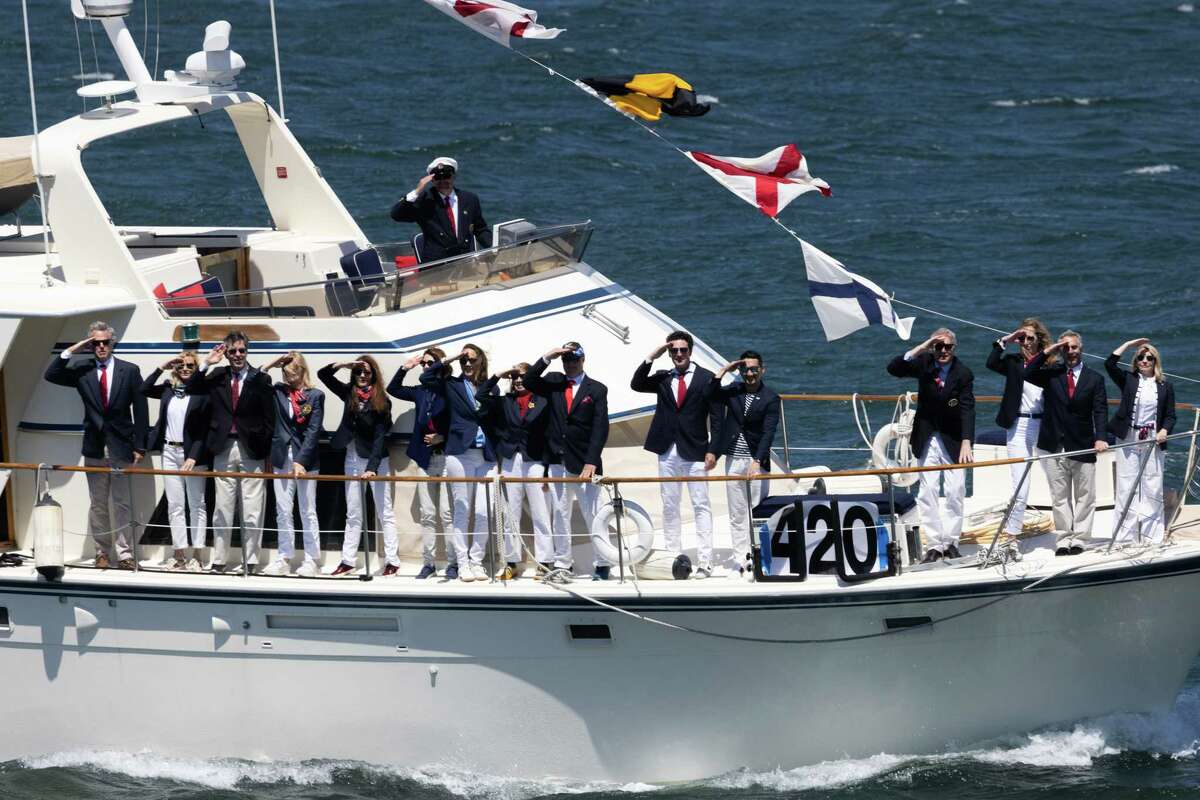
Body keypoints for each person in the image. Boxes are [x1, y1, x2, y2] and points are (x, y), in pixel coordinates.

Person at [44, 321, 148, 570]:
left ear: (112, 343)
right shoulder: (83, 370)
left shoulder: (129, 370)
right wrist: (75, 349)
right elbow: (52, 374)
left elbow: (141, 410)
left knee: (122, 502)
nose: (101, 347)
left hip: (122, 447)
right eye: (96, 343)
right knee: (98, 503)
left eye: (105, 342)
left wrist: (140, 446)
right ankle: (102, 551)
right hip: (95, 447)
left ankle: (125, 554)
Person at [631, 330, 720, 578]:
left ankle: (705, 562)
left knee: (701, 505)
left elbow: (717, 418)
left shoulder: (706, 378)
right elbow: (636, 384)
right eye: (673, 351)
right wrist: (653, 355)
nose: (678, 354)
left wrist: (713, 450)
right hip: (667, 449)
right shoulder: (663, 377)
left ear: (690, 351)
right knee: (670, 505)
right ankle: (673, 557)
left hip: (696, 450)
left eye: (682, 350)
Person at [188, 331, 275, 573]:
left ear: (247, 351)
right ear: (226, 353)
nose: (237, 355)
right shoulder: (217, 375)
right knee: (222, 507)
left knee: (253, 507)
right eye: (232, 351)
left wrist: (264, 448)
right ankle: (219, 559)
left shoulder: (261, 379)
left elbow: (270, 419)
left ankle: (251, 560)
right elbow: (192, 387)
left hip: (252, 449)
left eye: (241, 350)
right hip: (223, 447)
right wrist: (206, 362)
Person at [887, 328, 976, 563]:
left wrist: (967, 441)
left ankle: (951, 542)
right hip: (927, 436)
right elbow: (894, 368)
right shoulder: (925, 363)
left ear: (954, 348)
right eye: (939, 346)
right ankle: (935, 544)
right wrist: (923, 346)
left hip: (954, 439)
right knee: (927, 491)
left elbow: (968, 408)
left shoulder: (963, 373)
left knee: (955, 491)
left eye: (948, 347)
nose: (943, 351)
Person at [524, 342, 611, 579]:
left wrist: (592, 461)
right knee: (560, 516)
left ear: (583, 360)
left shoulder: (597, 389)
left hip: (586, 463)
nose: (570, 364)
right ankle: (563, 564)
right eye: (566, 360)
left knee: (594, 513)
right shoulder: (554, 382)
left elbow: (601, 428)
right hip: (556, 460)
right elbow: (530, 381)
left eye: (575, 360)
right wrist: (548, 356)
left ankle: (602, 563)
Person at [1023, 330, 1108, 555]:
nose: (1070, 352)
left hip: (1083, 443)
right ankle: (1063, 539)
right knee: (1059, 497)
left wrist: (1100, 437)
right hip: (1054, 444)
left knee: (1084, 496)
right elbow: (1028, 371)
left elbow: (1100, 410)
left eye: (1074, 347)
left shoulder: (1095, 379)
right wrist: (1048, 350)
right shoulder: (1051, 374)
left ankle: (1080, 538)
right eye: (1066, 348)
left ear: (1081, 349)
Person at [420, 343, 498, 582]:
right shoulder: (451, 385)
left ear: (481, 362)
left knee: (486, 512)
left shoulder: (490, 388)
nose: (467, 364)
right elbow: (426, 376)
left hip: (486, 456)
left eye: (472, 360)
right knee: (461, 510)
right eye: (464, 360)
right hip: (459, 454)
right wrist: (453, 357)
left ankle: (476, 562)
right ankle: (462, 563)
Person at [321, 355, 401, 577]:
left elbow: (379, 438)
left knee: (384, 511)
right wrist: (344, 364)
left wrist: (372, 468)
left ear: (374, 374)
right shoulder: (349, 393)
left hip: (376, 460)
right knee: (353, 512)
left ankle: (392, 561)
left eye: (367, 372)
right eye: (358, 372)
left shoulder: (383, 401)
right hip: (352, 457)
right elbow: (323, 375)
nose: (363, 376)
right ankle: (348, 560)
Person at [705, 351, 780, 577]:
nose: (749, 374)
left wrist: (757, 460)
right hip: (733, 460)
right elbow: (710, 394)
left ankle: (759, 556)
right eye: (745, 369)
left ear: (762, 370)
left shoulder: (770, 398)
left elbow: (768, 433)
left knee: (755, 512)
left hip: (755, 461)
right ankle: (741, 559)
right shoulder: (734, 391)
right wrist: (724, 371)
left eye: (754, 369)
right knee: (737, 514)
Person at [479, 362, 553, 580]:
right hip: (512, 459)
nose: (519, 380)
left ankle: (544, 562)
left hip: (536, 460)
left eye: (523, 376)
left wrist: (548, 467)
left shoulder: (543, 400)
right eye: (515, 377)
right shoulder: (506, 401)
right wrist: (499, 373)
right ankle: (512, 562)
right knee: (510, 513)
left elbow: (550, 432)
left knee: (541, 513)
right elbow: (481, 396)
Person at [140, 351, 211, 571]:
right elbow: (142, 389)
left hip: (192, 454)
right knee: (175, 504)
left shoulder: (202, 392)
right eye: (181, 365)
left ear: (196, 367)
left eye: (190, 365)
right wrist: (162, 366)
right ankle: (179, 553)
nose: (185, 369)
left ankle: (197, 554)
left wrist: (194, 456)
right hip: (169, 452)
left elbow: (203, 429)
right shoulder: (168, 390)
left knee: (197, 504)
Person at [386, 349, 452, 579]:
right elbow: (393, 389)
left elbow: (460, 424)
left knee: (447, 513)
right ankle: (429, 563)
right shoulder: (421, 392)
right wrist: (406, 367)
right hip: (425, 458)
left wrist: (442, 436)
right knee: (427, 514)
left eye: (429, 363)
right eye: (423, 363)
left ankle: (453, 563)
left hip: (445, 457)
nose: (425, 367)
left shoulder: (450, 388)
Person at [986, 318, 1053, 538]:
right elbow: (991, 362)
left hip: (1043, 425)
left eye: (1029, 338)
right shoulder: (1013, 362)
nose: (1025, 342)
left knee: (1056, 477)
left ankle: (1066, 530)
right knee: (1020, 483)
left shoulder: (1050, 363)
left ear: (1039, 340)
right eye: (1021, 338)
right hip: (1018, 425)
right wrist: (1005, 340)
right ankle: (1012, 533)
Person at [261, 353, 325, 578]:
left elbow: (313, 431)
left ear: (302, 371)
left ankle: (311, 559)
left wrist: (301, 461)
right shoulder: (278, 392)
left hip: (306, 460)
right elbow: (257, 379)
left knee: (308, 510)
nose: (290, 378)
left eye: (294, 373)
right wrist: (273, 362)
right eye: (286, 373)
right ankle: (284, 557)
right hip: (281, 457)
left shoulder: (315, 396)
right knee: (283, 510)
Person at [1106, 338, 1176, 544]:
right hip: (1128, 436)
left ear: (1155, 361)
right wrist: (1129, 344)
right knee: (1126, 486)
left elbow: (1171, 415)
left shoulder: (1165, 386)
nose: (1145, 361)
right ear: (1136, 361)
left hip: (1153, 439)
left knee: (1152, 486)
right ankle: (1123, 537)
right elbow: (1109, 364)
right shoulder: (1128, 379)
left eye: (1149, 358)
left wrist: (1164, 430)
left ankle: (1152, 536)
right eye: (1141, 357)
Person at [390, 156, 492, 262]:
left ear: (454, 176)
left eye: (446, 176)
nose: (443, 181)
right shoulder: (424, 201)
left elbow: (480, 229)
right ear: (432, 180)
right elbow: (396, 215)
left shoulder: (469, 199)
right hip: (436, 267)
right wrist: (416, 191)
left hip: (465, 262)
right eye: (438, 178)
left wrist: (495, 249)